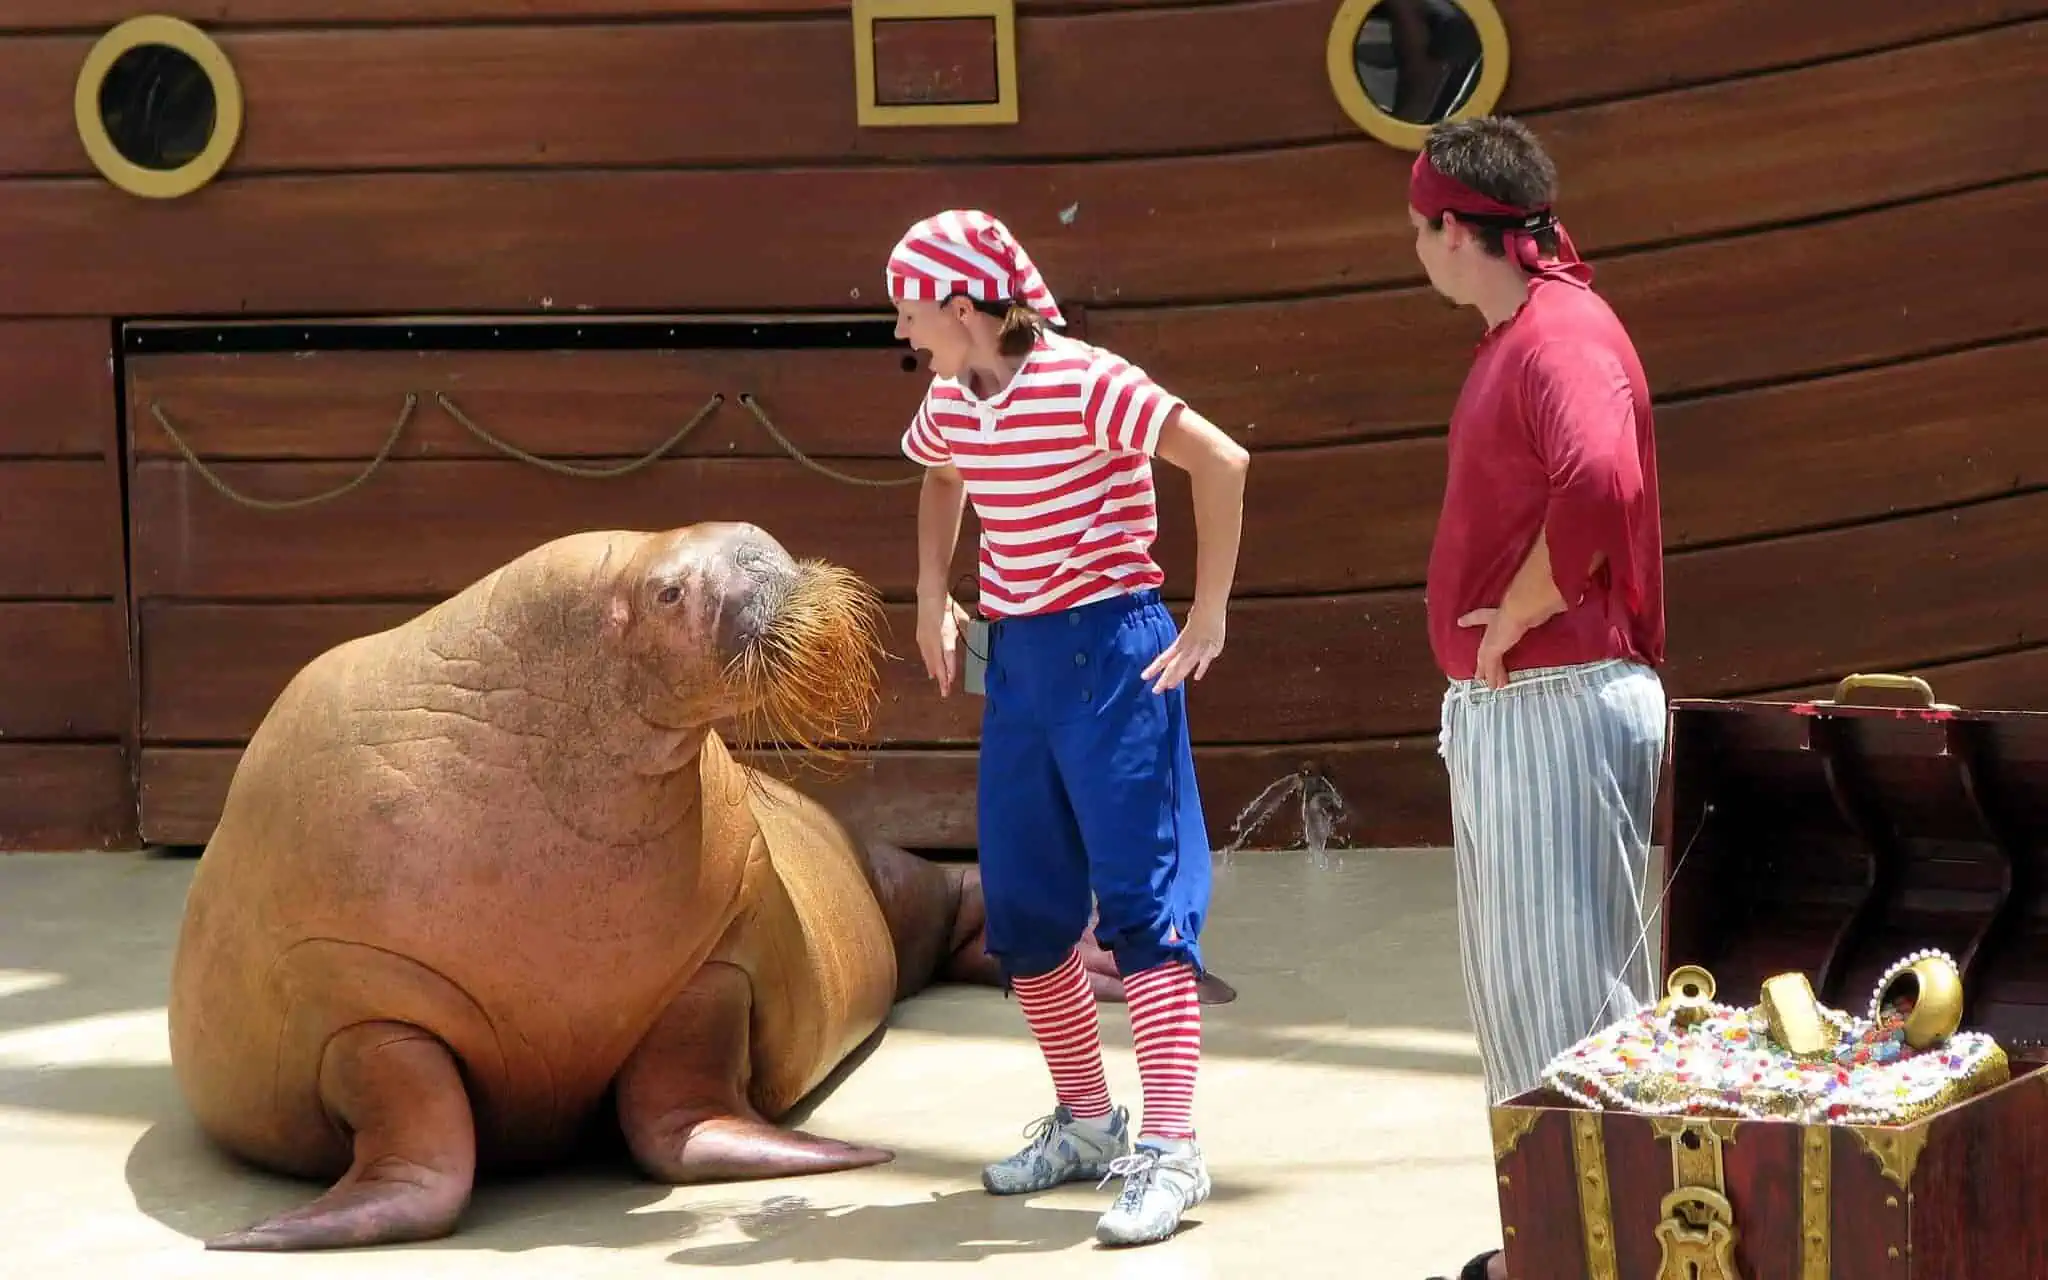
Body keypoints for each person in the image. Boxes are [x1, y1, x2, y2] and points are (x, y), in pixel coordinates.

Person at [885, 209, 1249, 1247]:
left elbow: (1219, 460)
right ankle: (1089, 1122)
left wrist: (1208, 613)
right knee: (1025, 907)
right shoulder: (950, 396)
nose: (900, 328)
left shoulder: (1087, 380)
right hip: (1021, 667)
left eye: (909, 307)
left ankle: (1171, 1150)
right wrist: (932, 591)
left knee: (1143, 904)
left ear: (963, 305)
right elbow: (941, 475)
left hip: (1114, 654)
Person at [1406, 118, 1668, 1280]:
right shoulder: (1536, 330)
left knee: (1557, 1000)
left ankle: (1575, 1254)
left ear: (1455, 230)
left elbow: (1599, 480)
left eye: (1418, 229)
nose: (1415, 250)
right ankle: (1573, 1240)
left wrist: (1517, 610)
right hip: (1539, 704)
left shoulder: (1556, 334)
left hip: (1552, 697)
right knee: (1552, 994)